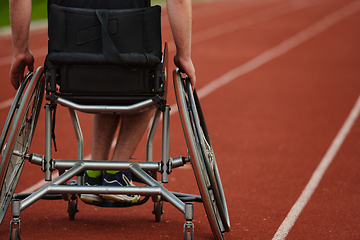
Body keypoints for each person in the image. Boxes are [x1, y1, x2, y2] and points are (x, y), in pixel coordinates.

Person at [9, 0, 196, 203]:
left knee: (100, 72)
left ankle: (94, 175)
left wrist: (20, 52)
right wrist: (184, 55)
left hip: (71, 67)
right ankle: (117, 174)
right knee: (152, 83)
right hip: (133, 67)